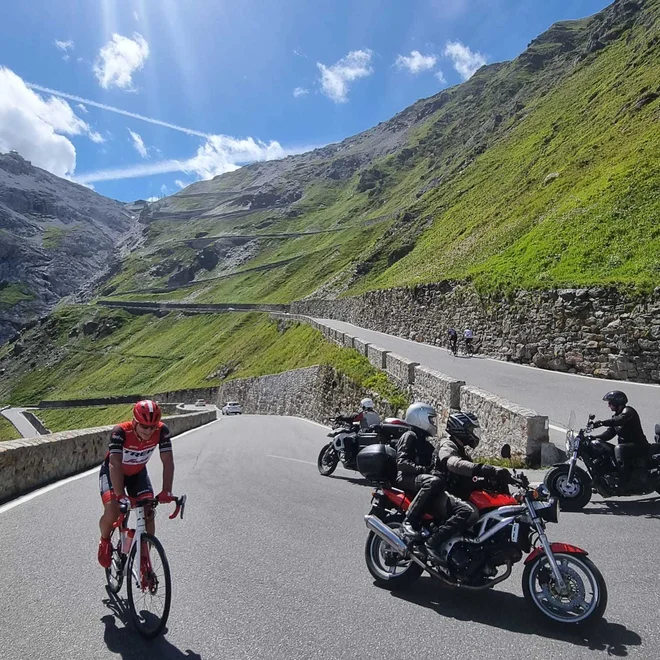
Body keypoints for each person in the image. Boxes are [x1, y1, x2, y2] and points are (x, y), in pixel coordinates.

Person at [97, 400, 175, 568]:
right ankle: (104, 541)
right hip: (113, 472)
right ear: (134, 422)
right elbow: (115, 463)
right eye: (144, 426)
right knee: (113, 510)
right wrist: (120, 496)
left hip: (137, 473)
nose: (149, 431)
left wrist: (167, 490)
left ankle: (144, 555)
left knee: (148, 511)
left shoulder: (162, 431)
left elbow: (168, 461)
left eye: (152, 427)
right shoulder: (120, 432)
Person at [396, 402, 475, 564]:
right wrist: (424, 470)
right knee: (434, 482)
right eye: (430, 420)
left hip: (419, 477)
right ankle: (409, 521)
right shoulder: (409, 436)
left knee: (438, 484)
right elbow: (402, 463)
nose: (433, 423)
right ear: (419, 418)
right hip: (405, 477)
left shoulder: (425, 442)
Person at [435, 411, 512, 502]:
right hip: (446, 492)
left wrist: (499, 474)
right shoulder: (447, 444)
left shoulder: (461, 449)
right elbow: (452, 462)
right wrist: (479, 468)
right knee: (472, 511)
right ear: (460, 428)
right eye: (472, 430)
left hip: (458, 490)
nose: (474, 434)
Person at [592, 390, 648, 485]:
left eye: (610, 403)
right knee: (603, 448)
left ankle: (624, 480)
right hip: (627, 446)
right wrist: (594, 438)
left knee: (619, 448)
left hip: (638, 445)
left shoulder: (629, 412)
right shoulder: (616, 415)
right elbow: (609, 433)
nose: (608, 405)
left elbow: (620, 420)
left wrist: (602, 423)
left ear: (616, 402)